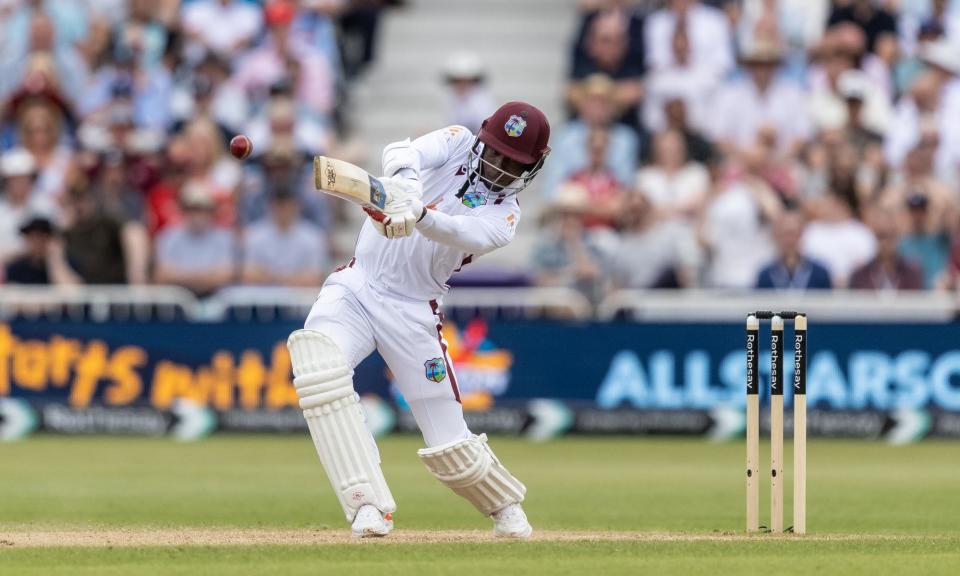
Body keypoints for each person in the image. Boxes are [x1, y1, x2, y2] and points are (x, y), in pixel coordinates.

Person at [287, 102, 550, 539]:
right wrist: (406, 189)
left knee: (450, 446)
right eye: (496, 152)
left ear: (531, 167)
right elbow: (400, 151)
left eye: (513, 162)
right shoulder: (457, 141)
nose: (499, 166)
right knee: (318, 368)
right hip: (356, 286)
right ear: (483, 137)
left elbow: (462, 234)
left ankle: (505, 506)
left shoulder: (507, 217)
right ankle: (367, 506)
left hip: (413, 310)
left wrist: (421, 216)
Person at [755, 210, 833, 290]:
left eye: (793, 233)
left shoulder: (819, 273)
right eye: (784, 234)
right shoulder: (766, 275)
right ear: (775, 236)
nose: (789, 240)